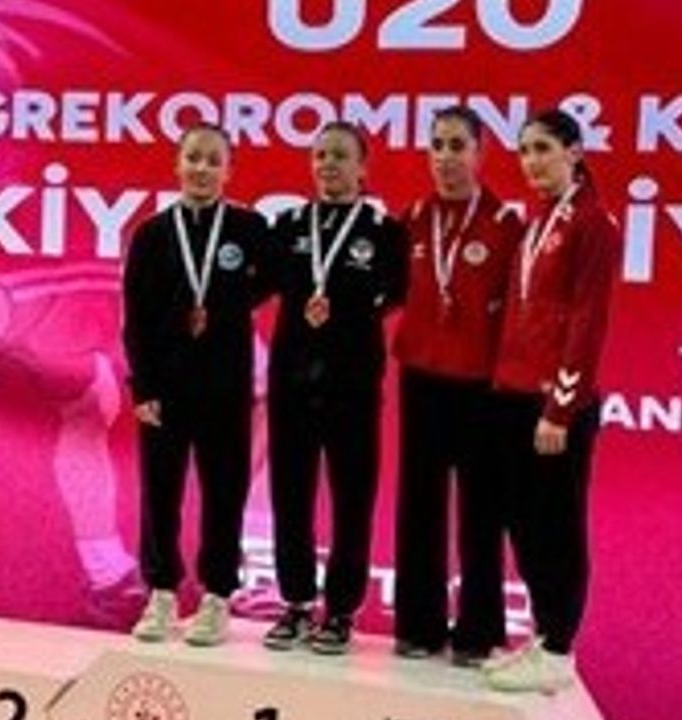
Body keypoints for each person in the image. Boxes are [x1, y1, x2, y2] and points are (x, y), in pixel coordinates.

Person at [482, 109, 620, 693]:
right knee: (525, 523)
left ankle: (561, 648)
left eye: (543, 148)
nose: (531, 161)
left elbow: (587, 322)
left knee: (558, 527)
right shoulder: (539, 218)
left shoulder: (593, 223)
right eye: (524, 151)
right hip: (513, 395)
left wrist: (561, 407)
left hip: (554, 406)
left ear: (574, 152)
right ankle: (543, 637)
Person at [122, 123, 273, 647]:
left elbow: (275, 276)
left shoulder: (249, 228)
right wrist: (142, 389)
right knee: (160, 492)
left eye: (213, 160)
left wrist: (230, 303)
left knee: (224, 493)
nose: (202, 168)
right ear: (177, 163)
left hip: (225, 387)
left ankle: (217, 595)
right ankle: (161, 592)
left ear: (229, 170)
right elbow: (135, 319)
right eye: (193, 157)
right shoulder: (152, 234)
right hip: (165, 389)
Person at [263, 121, 408, 655]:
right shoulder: (288, 225)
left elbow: (397, 294)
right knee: (290, 494)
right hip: (292, 382)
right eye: (320, 154)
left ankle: (341, 610)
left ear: (362, 167)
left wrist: (345, 312)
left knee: (352, 498)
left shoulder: (384, 231)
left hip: (352, 384)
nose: (328, 164)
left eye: (341, 155)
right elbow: (260, 284)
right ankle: (297, 601)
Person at [391, 106, 523, 667]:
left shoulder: (505, 224)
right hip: (421, 378)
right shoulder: (414, 218)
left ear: (480, 152)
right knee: (419, 502)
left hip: (480, 386)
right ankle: (417, 626)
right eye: (437, 145)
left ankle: (478, 631)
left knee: (481, 509)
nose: (445, 157)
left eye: (457, 146)